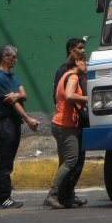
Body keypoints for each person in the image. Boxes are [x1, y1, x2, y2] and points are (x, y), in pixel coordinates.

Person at [0, 44, 40, 210]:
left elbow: (23, 94)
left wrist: (17, 94)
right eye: (13, 57)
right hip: (6, 123)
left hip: (13, 123)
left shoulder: (13, 76)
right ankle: (4, 197)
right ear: (4, 57)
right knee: (5, 162)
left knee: (3, 161)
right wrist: (28, 119)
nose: (15, 60)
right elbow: (13, 103)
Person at [49, 38, 88, 208]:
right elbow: (68, 96)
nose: (83, 52)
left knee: (71, 160)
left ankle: (66, 194)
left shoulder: (76, 73)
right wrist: (89, 100)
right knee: (72, 160)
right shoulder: (68, 74)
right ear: (72, 51)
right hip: (67, 122)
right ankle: (56, 194)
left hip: (71, 121)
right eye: (80, 49)